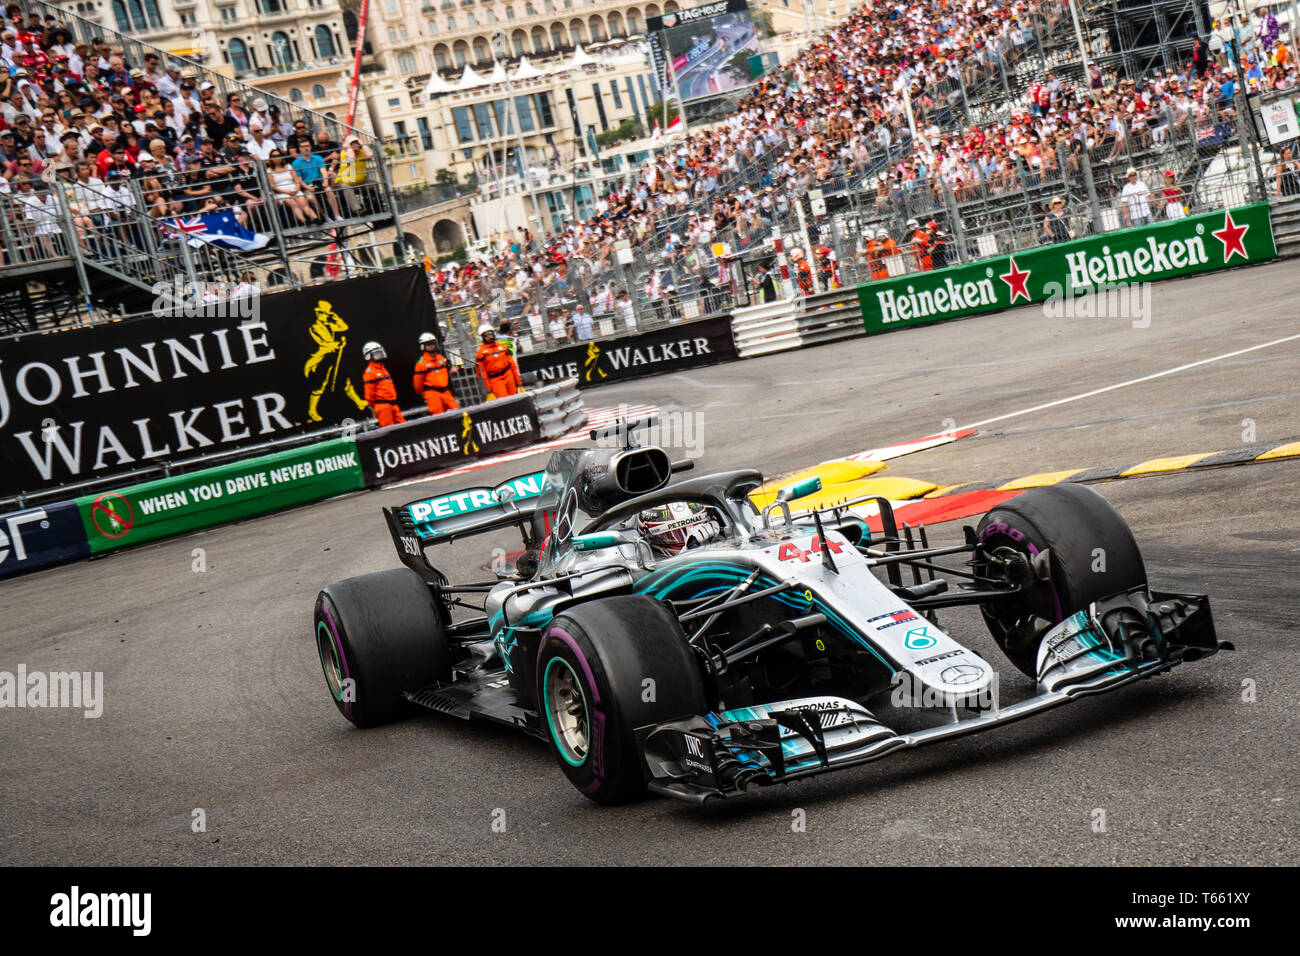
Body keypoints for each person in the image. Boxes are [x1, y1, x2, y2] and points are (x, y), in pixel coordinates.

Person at [635, 502, 721, 556]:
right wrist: (686, 550)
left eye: (695, 527)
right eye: (673, 535)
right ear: (649, 537)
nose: (689, 538)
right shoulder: (649, 566)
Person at [362, 341, 406, 428]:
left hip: (393, 404)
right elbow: (369, 394)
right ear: (369, 356)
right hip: (383, 406)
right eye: (376, 353)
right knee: (389, 431)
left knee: (404, 427)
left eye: (380, 352)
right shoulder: (370, 372)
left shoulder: (383, 369)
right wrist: (373, 406)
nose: (379, 355)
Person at [413, 331, 459, 415]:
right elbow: (418, 383)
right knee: (439, 416)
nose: (431, 346)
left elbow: (445, 373)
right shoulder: (421, 363)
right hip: (432, 393)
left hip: (445, 391)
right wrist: (423, 393)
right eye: (428, 344)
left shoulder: (441, 359)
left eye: (432, 343)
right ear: (423, 346)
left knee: (456, 411)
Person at [475, 327, 522, 400]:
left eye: (491, 333)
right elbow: (482, 372)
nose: (490, 336)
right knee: (504, 400)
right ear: (482, 337)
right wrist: (488, 387)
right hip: (495, 380)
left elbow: (512, 364)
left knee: (515, 398)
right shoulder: (480, 352)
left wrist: (517, 379)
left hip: (508, 375)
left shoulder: (502, 347)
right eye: (487, 335)